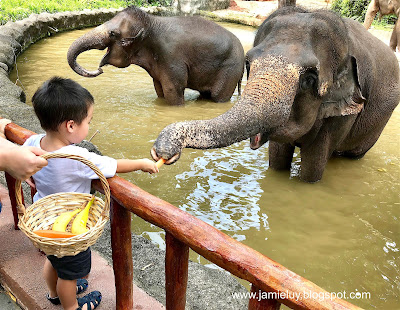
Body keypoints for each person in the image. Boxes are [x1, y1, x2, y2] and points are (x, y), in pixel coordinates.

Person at [24, 76, 159, 310]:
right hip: (70, 231)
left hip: (44, 223)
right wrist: (141, 163)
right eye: (88, 121)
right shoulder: (78, 158)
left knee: (53, 261)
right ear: (70, 126)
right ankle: (72, 306)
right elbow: (113, 166)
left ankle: (53, 294)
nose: (89, 126)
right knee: (70, 274)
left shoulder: (33, 143)